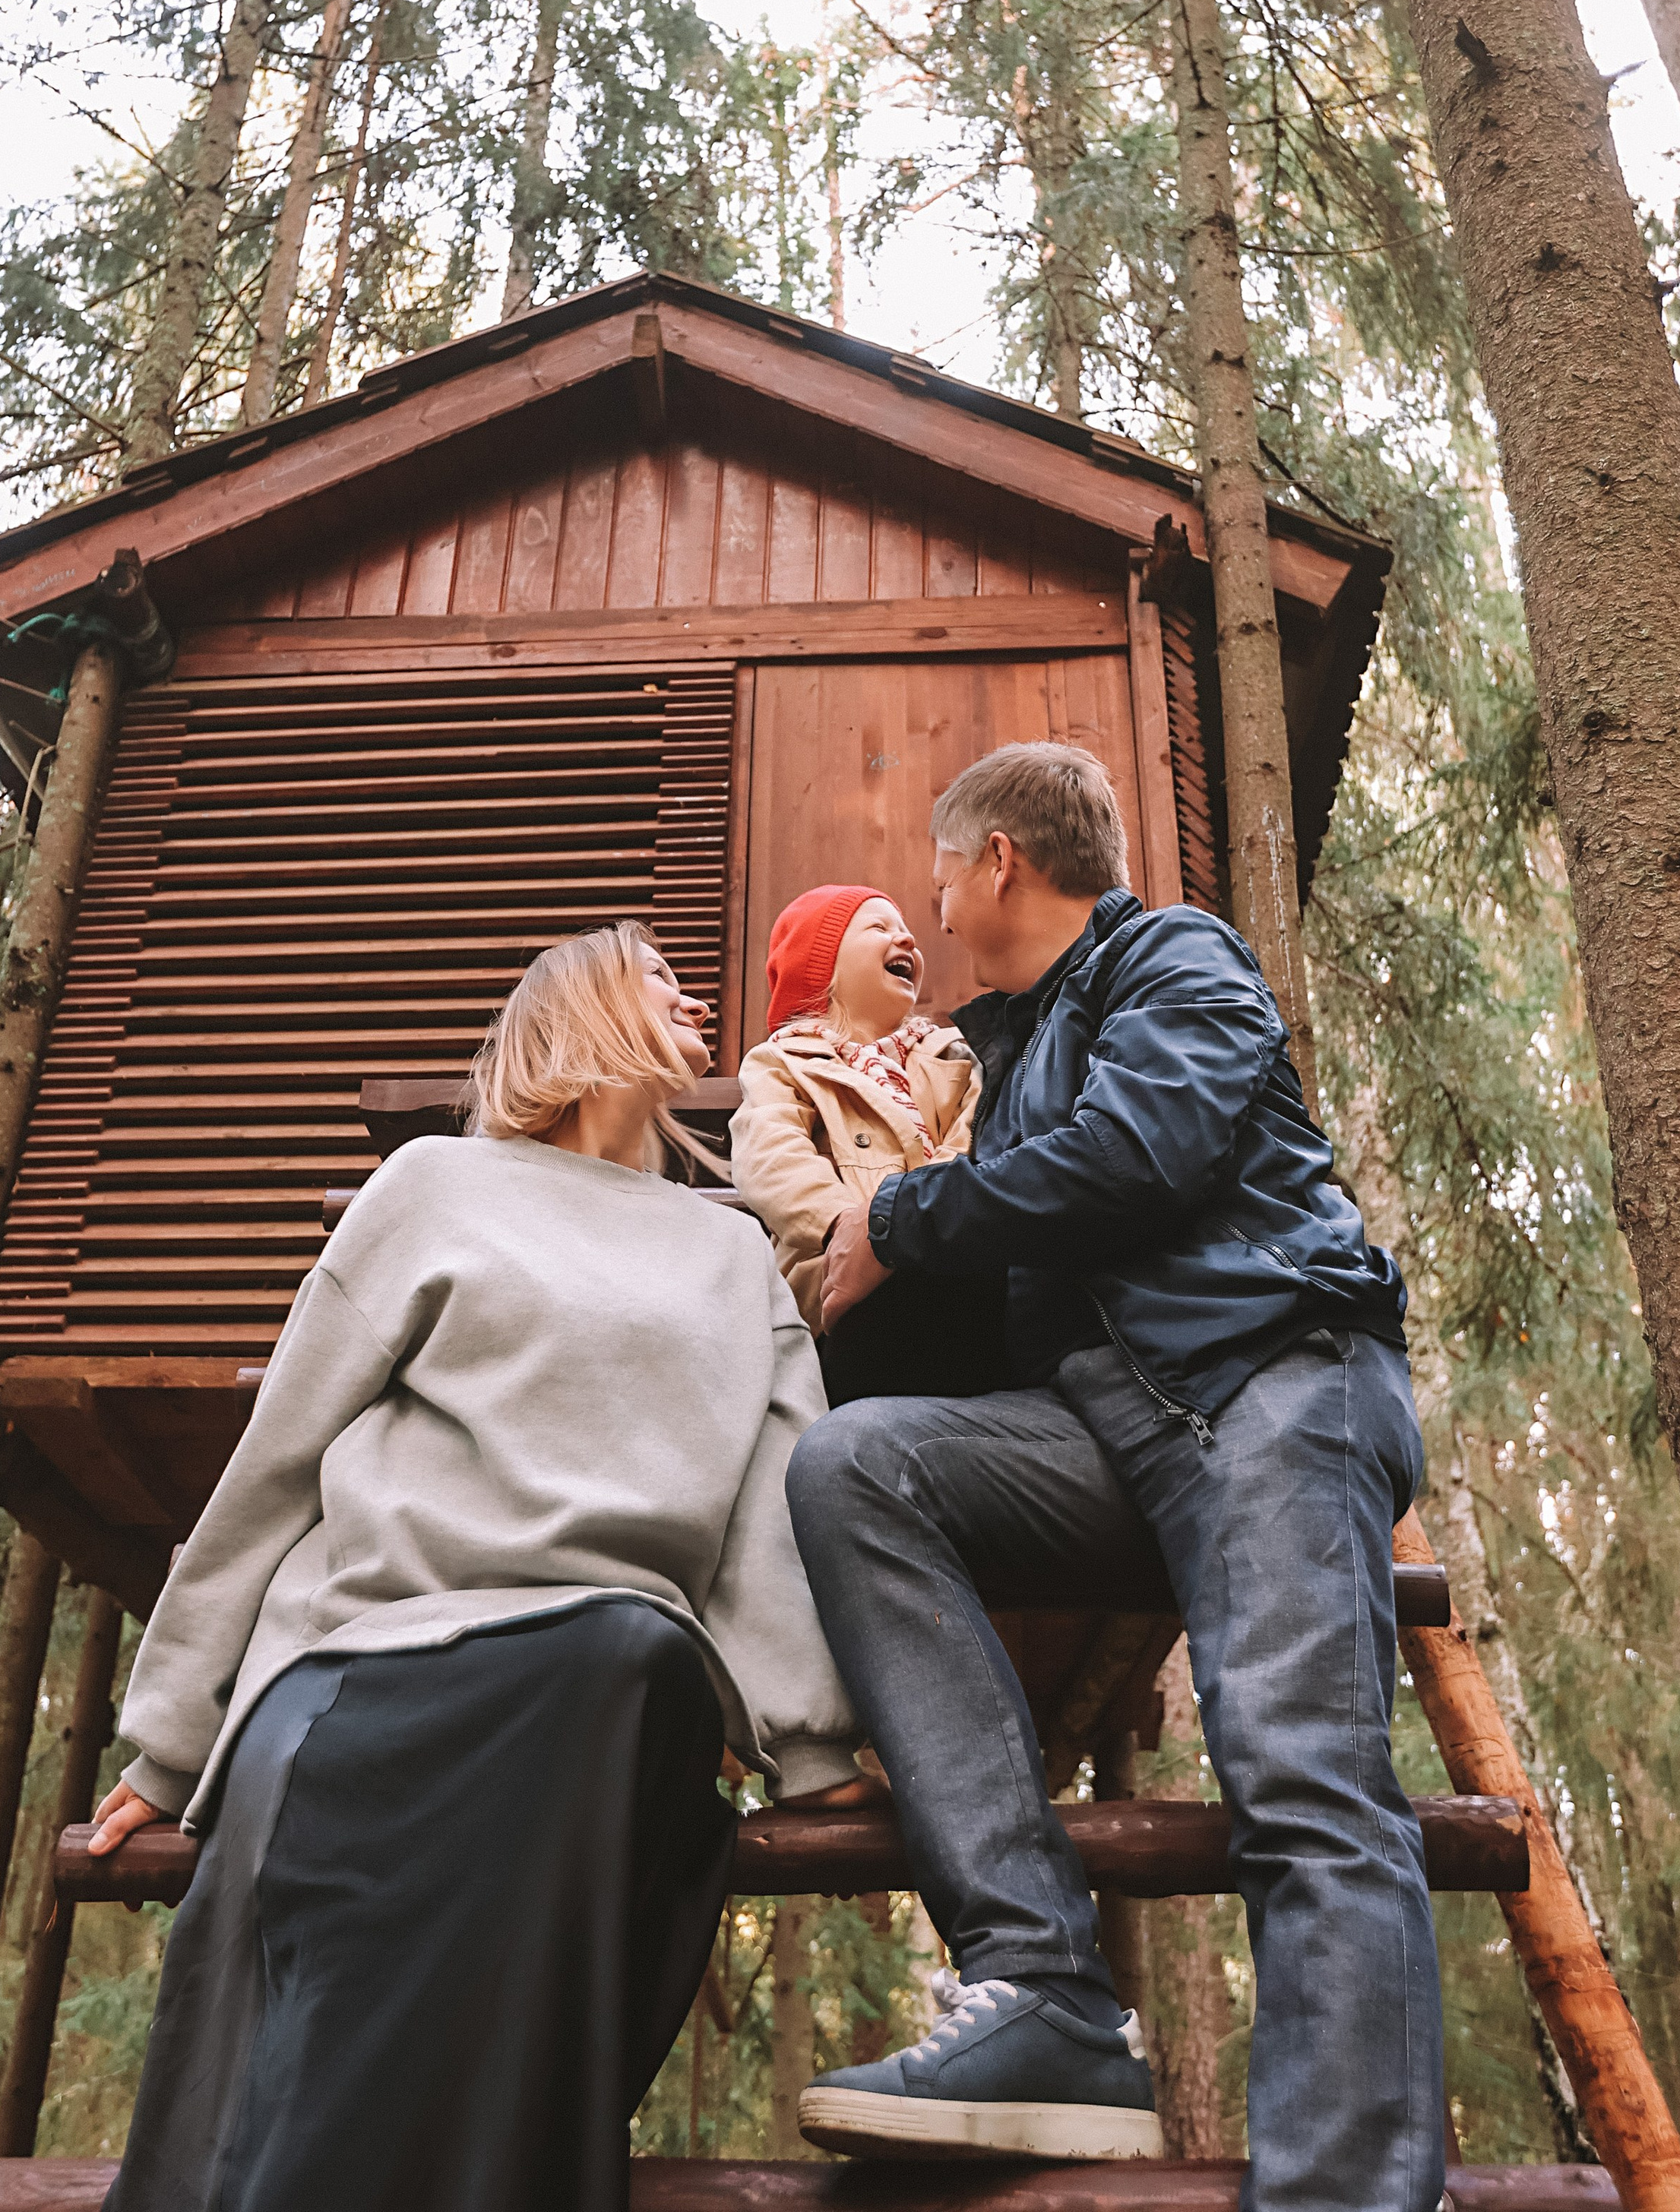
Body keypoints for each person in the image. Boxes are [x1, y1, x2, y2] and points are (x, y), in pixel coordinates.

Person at [88, 922, 865, 2212]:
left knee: (630, 1666)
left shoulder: (733, 1253)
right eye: (655, 981)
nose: (692, 1002)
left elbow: (765, 1525)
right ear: (576, 1017)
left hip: (599, 1674)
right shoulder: (437, 1189)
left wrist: (817, 1751)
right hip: (373, 1654)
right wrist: (170, 1741)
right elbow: (278, 1460)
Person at [785, 742, 1441, 2204]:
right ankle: (1047, 1997)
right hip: (1109, 1428)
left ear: (1001, 859)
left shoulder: (1175, 957)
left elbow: (1142, 1150)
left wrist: (901, 1213)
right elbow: (1016, 1273)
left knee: (1301, 1774)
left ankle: (1345, 2188)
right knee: (856, 1467)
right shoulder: (1005, 1060)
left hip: (1270, 1379)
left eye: (944, 874)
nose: (939, 909)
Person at [729, 883, 998, 1402]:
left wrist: (912, 1220)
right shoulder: (786, 1062)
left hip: (947, 1261)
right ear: (822, 966)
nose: (907, 940)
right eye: (879, 927)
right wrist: (848, 1227)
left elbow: (979, 1133)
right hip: (835, 1293)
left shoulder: (957, 1055)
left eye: (906, 931)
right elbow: (771, 1154)